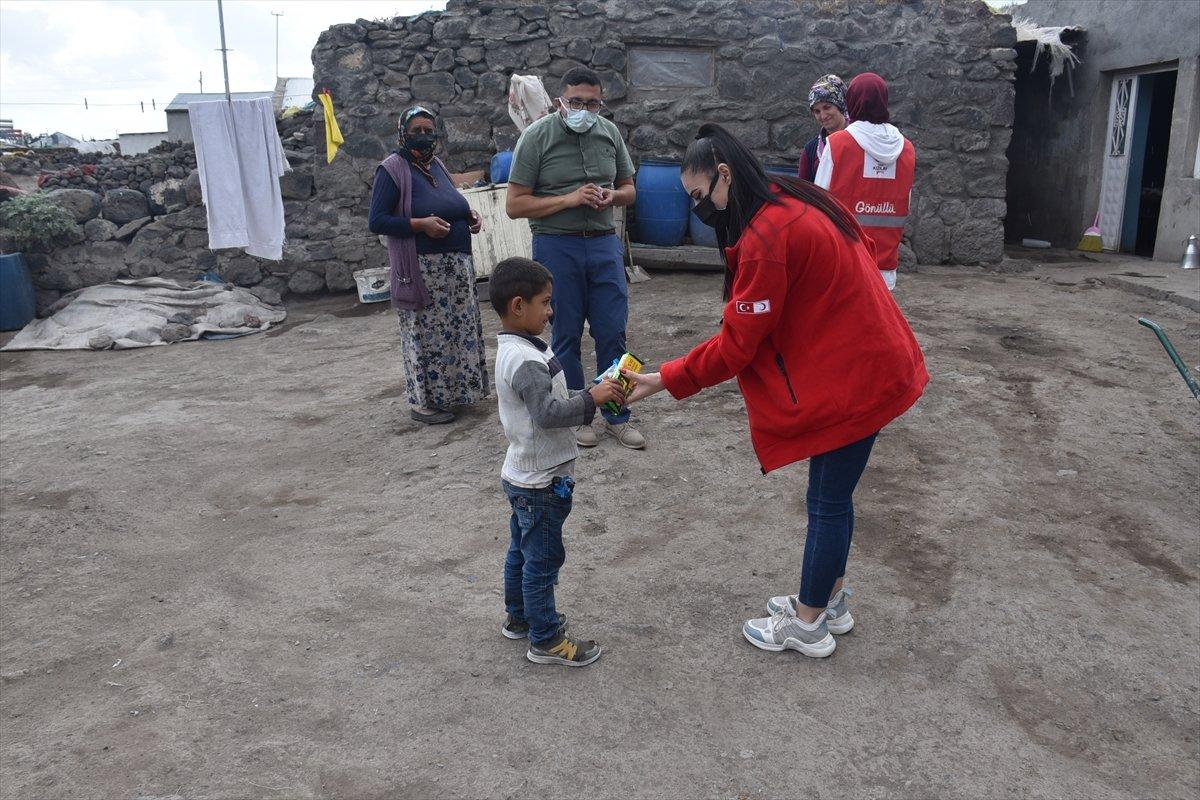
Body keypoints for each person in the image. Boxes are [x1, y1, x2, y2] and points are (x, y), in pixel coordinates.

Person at [621, 123, 928, 659]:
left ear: (724, 176)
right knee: (831, 497)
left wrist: (664, 378)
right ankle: (827, 600)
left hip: (856, 378)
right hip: (866, 363)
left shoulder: (766, 238)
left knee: (828, 502)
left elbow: (737, 346)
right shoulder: (789, 197)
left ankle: (808, 625)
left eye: (699, 196)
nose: (698, 208)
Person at [490, 256, 625, 667]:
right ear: (518, 306)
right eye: (545, 303)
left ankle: (520, 618)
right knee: (544, 561)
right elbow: (547, 413)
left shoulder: (518, 347)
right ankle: (546, 639)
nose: (551, 312)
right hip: (542, 481)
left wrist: (591, 391)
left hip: (522, 474)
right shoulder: (526, 360)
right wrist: (591, 399)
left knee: (522, 551)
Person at [505, 67, 646, 451]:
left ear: (602, 103)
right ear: (560, 101)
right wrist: (568, 199)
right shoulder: (537, 137)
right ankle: (579, 414)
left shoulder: (609, 133)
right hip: (556, 245)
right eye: (577, 102)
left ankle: (617, 413)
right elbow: (514, 204)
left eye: (593, 102)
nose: (585, 108)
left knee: (612, 330)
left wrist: (612, 197)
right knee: (565, 332)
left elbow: (629, 189)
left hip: (603, 243)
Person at [368, 106, 488, 425]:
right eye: (416, 130)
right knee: (426, 336)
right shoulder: (392, 169)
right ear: (402, 132)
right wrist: (420, 225)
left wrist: (469, 216)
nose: (423, 136)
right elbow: (377, 220)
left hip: (457, 269)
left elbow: (452, 203)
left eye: (428, 130)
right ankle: (424, 403)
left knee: (455, 331)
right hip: (423, 271)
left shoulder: (436, 165)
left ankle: (458, 394)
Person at [815, 72, 916, 292]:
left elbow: (818, 203)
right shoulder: (907, 149)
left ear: (851, 102)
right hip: (885, 267)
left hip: (844, 263)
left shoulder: (838, 143)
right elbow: (905, 204)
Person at [796, 74, 848, 183]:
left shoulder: (859, 141)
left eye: (827, 107)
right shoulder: (811, 150)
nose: (823, 116)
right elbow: (804, 190)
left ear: (840, 105)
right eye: (817, 111)